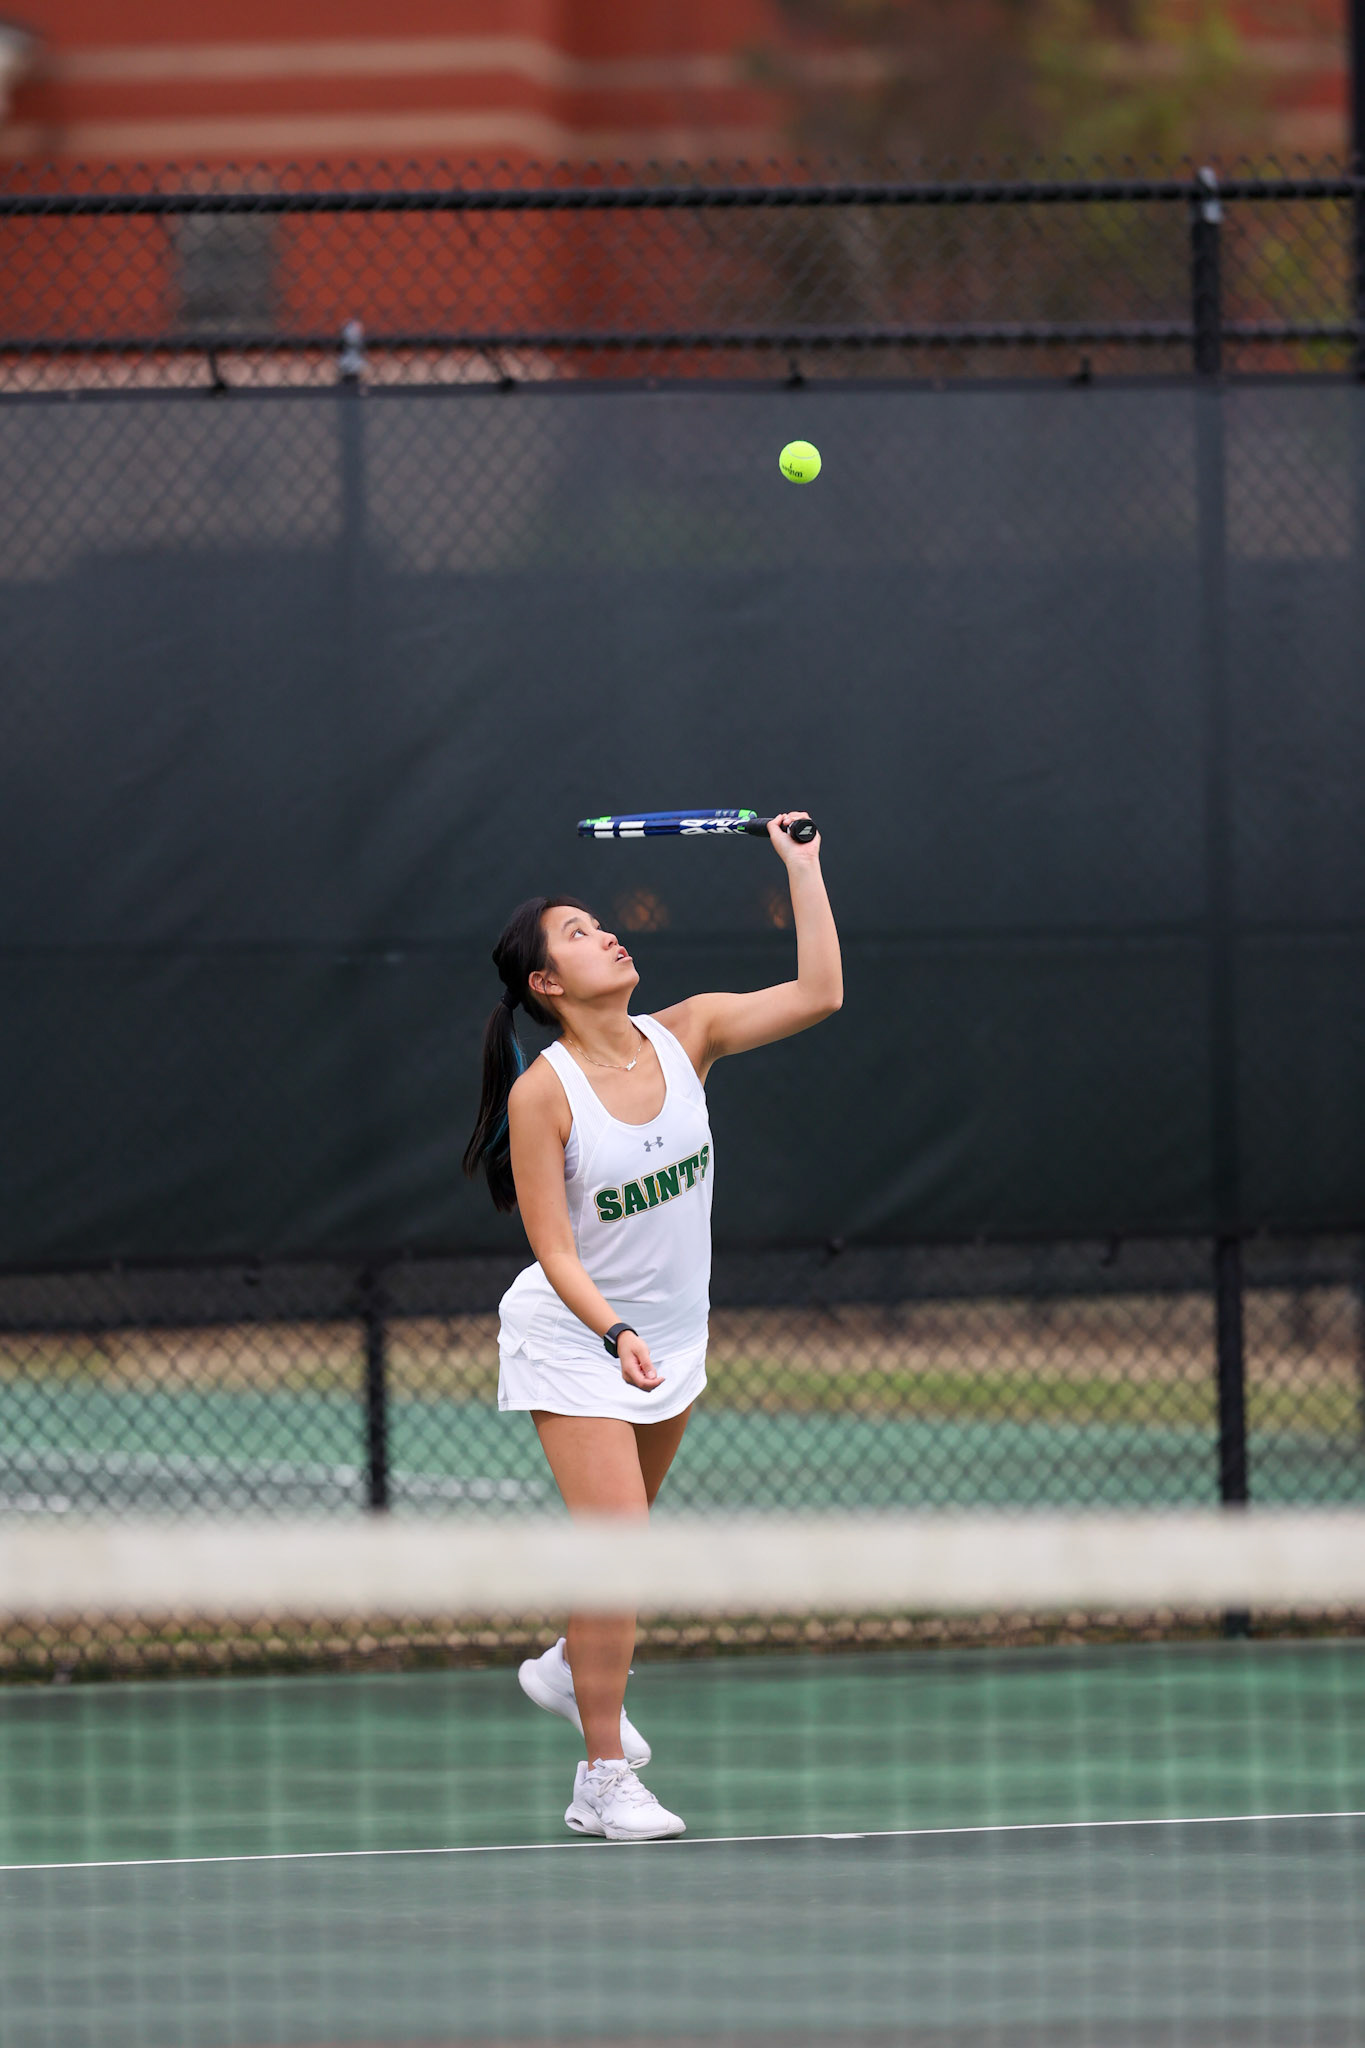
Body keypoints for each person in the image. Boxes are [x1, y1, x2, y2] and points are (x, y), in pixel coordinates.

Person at [462, 811, 841, 1841]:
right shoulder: (544, 1094)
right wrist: (613, 1331)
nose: (608, 935)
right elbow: (554, 1249)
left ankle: (565, 1664)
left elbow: (819, 993)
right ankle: (599, 1779)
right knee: (620, 1552)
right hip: (576, 1338)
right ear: (546, 982)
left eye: (601, 924)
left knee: (617, 1554)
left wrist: (801, 868)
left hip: (672, 1340)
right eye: (580, 933)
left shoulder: (692, 1032)